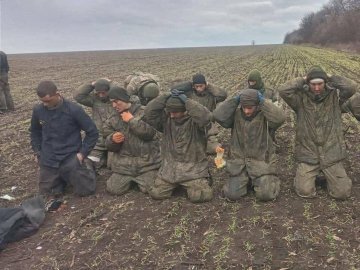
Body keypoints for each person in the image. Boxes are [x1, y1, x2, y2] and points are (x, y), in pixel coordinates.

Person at [279, 66, 358, 199]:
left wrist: (330, 77)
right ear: (308, 83)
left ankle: (329, 176)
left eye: (320, 84)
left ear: (325, 82)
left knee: (342, 193)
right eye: (313, 84)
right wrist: (303, 79)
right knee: (304, 191)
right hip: (309, 154)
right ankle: (310, 176)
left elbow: (352, 87)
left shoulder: (335, 97)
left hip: (331, 154)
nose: (316, 88)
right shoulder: (300, 100)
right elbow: (283, 90)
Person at [144, 85, 213, 203]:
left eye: (175, 112)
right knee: (156, 193)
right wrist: (166, 95)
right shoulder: (166, 121)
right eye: (170, 111)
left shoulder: (196, 122)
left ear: (184, 110)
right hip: (170, 170)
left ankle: (200, 181)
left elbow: (206, 117)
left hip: (193, 171)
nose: (171, 115)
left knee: (200, 196)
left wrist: (187, 100)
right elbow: (149, 112)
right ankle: (175, 184)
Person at [30, 80, 98, 199]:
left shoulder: (74, 110)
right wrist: (37, 151)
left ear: (57, 94)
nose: (45, 104)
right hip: (49, 158)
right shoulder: (38, 110)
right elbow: (35, 132)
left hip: (70, 156)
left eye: (48, 101)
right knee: (47, 195)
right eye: (42, 101)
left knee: (86, 190)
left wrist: (82, 154)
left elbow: (92, 132)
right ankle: (60, 178)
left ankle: (87, 164)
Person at [213, 88, 285, 201]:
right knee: (232, 195)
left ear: (257, 106)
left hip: (261, 164)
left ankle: (270, 179)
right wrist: (235, 100)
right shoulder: (235, 116)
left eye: (250, 108)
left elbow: (280, 118)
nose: (246, 111)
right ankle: (246, 181)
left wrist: (263, 101)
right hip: (239, 165)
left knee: (266, 195)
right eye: (244, 107)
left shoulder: (265, 117)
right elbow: (217, 115)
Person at [103, 86, 161, 195]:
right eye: (112, 102)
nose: (114, 105)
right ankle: (132, 180)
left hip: (147, 164)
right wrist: (112, 140)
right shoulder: (112, 119)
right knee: (114, 189)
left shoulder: (145, 112)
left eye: (116, 101)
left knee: (152, 189)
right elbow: (108, 144)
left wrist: (131, 120)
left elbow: (150, 134)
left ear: (125, 99)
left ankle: (144, 179)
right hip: (124, 166)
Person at [73, 78, 115, 169]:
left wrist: (111, 83)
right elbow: (78, 96)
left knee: (112, 166)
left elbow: (125, 93)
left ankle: (107, 159)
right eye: (98, 93)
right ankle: (102, 159)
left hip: (114, 140)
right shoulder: (94, 100)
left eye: (103, 93)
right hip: (99, 141)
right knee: (89, 162)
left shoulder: (116, 100)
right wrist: (91, 85)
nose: (101, 95)